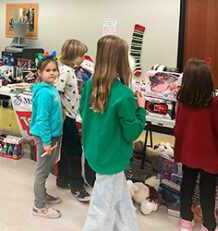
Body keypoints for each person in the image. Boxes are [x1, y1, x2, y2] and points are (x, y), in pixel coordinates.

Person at [79, 35, 146, 231]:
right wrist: (141, 109)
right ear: (121, 60)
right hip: (113, 158)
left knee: (120, 200)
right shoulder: (124, 94)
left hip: (95, 152)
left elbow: (84, 114)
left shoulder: (90, 84)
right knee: (102, 209)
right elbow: (132, 132)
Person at [175, 59, 218, 231]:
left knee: (187, 185)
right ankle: (208, 225)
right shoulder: (217, 105)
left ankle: (186, 221)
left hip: (189, 153)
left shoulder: (182, 103)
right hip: (210, 156)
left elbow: (179, 129)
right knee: (207, 191)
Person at [54, 39, 91, 202]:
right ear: (72, 56)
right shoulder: (66, 72)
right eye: (81, 55)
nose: (83, 58)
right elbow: (57, 93)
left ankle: (63, 179)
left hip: (69, 115)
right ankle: (77, 186)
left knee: (65, 150)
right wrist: (62, 113)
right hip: (67, 117)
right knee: (75, 151)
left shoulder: (68, 70)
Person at [29, 54, 63, 219]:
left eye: (54, 70)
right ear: (39, 73)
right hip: (45, 138)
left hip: (52, 136)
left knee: (45, 169)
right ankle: (39, 206)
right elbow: (42, 120)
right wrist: (47, 142)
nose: (52, 73)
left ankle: (43, 194)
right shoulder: (44, 93)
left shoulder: (51, 88)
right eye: (48, 70)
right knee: (42, 172)